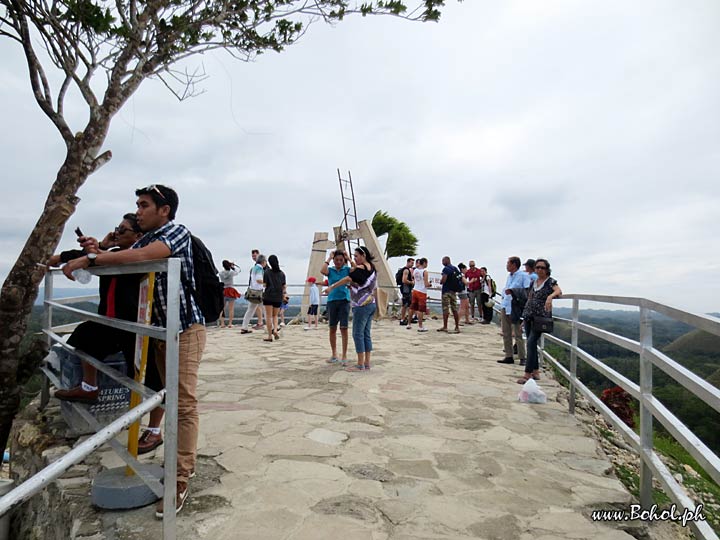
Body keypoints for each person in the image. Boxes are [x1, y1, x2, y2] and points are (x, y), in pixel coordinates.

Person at [62, 184, 206, 518]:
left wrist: (94, 255)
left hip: (184, 330)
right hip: (157, 332)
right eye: (137, 205)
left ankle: (180, 478)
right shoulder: (144, 238)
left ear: (164, 209)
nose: (138, 210)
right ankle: (184, 461)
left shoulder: (175, 233)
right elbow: (122, 258)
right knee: (169, 399)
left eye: (143, 205)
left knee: (183, 404)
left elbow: (141, 257)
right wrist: (98, 250)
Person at [52, 213, 144, 403]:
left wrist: (99, 250)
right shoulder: (110, 253)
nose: (117, 232)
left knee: (143, 371)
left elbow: (113, 258)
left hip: (135, 324)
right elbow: (86, 257)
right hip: (109, 320)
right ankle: (89, 387)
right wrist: (100, 246)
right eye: (116, 228)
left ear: (138, 236)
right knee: (83, 335)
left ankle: (152, 425)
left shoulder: (141, 254)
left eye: (123, 229)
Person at [323, 246, 377, 372]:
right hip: (371, 303)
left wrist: (332, 287)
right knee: (366, 334)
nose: (355, 259)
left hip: (361, 304)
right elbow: (360, 282)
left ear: (363, 255)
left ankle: (359, 364)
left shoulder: (361, 267)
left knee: (357, 334)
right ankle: (366, 362)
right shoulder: (371, 267)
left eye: (356, 256)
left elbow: (349, 278)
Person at [518, 259, 561, 383]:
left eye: (542, 267)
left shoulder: (550, 281)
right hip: (528, 316)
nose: (539, 270)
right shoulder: (534, 282)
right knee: (531, 344)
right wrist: (523, 319)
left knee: (531, 342)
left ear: (547, 269)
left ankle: (527, 374)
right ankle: (536, 371)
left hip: (540, 318)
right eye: (537, 267)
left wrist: (550, 297)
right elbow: (529, 299)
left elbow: (558, 291)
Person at [497, 256, 532, 365]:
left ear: (514, 264)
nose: (507, 265)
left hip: (515, 307)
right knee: (506, 332)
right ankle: (509, 355)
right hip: (506, 305)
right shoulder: (509, 276)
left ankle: (522, 357)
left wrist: (513, 291)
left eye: (508, 263)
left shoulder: (523, 276)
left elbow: (527, 291)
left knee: (517, 333)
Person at [321, 249, 351, 365]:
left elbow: (355, 270)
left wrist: (348, 258)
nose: (338, 262)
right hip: (332, 300)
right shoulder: (331, 270)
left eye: (341, 260)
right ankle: (334, 353)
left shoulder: (347, 270)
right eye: (336, 260)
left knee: (344, 328)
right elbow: (322, 270)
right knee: (332, 327)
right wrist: (329, 258)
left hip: (344, 300)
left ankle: (344, 354)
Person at [262, 254, 286, 342]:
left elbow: (264, 285)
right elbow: (284, 286)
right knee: (275, 315)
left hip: (268, 296)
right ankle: (275, 330)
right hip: (278, 297)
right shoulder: (282, 274)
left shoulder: (267, 272)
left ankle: (269, 335)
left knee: (268, 316)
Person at [240, 254, 266, 334]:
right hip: (259, 293)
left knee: (250, 310)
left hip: (253, 292)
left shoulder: (254, 268)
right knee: (265, 310)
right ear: (263, 262)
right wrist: (266, 283)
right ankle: (271, 327)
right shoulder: (259, 269)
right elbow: (258, 280)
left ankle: (244, 327)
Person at [437, 256, 461, 334]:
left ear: (446, 261)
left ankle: (445, 326)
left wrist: (441, 282)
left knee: (445, 309)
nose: (442, 263)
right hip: (453, 291)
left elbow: (444, 279)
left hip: (446, 291)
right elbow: (459, 278)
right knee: (455, 309)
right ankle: (457, 327)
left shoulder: (446, 269)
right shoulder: (455, 269)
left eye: (443, 261)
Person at [406, 257, 430, 332]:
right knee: (421, 309)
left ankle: (409, 323)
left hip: (415, 290)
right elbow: (426, 284)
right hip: (422, 291)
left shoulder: (415, 270)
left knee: (412, 307)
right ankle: (420, 326)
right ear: (425, 263)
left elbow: (414, 279)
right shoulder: (425, 271)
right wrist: (430, 284)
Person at [218, 260, 240, 328]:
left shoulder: (221, 273)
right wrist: (233, 267)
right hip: (230, 290)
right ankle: (230, 323)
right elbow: (238, 271)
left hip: (223, 290)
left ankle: (222, 323)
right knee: (231, 309)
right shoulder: (231, 273)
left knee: (222, 308)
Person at [250, 249, 264, 329]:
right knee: (258, 307)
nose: (254, 257)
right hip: (256, 289)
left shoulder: (259, 267)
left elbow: (259, 279)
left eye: (255, 255)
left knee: (260, 307)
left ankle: (260, 322)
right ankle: (261, 323)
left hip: (259, 290)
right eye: (253, 256)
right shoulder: (257, 267)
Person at [398, 258, 414, 325]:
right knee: (405, 304)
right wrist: (411, 282)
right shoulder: (406, 270)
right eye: (412, 263)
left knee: (407, 304)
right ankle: (403, 319)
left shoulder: (406, 270)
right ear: (408, 262)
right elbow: (404, 280)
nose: (412, 264)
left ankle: (405, 318)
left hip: (405, 289)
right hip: (406, 289)